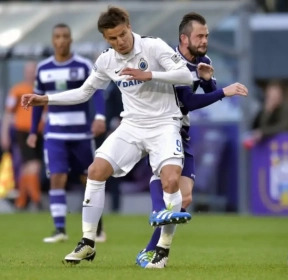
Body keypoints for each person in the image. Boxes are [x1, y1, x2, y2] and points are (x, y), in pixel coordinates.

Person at [20, 6, 237, 268]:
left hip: (165, 123)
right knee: (95, 170)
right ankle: (88, 242)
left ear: (129, 26)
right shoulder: (107, 60)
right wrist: (46, 99)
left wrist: (149, 74)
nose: (119, 42)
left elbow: (182, 74)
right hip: (132, 126)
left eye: (122, 34)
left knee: (171, 182)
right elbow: (85, 91)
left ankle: (162, 251)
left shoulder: (153, 47)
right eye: (112, 38)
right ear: (105, 39)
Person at [135, 12, 248, 268]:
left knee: (184, 199)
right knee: (168, 186)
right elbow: (188, 101)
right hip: (160, 129)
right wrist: (223, 92)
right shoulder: (170, 63)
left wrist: (209, 81)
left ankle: (150, 249)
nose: (205, 40)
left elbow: (205, 90)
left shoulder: (202, 60)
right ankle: (154, 248)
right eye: (200, 35)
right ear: (184, 38)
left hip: (181, 132)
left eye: (206, 35)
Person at [28, 23, 106, 243]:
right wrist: (34, 131)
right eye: (57, 36)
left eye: (65, 36)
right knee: (57, 178)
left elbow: (97, 91)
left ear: (71, 40)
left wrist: (99, 117)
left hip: (81, 134)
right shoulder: (43, 68)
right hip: (55, 134)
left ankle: (97, 228)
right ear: (53, 41)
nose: (61, 40)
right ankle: (60, 229)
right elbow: (37, 100)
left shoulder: (82, 66)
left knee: (89, 179)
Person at [1, 61, 43, 210]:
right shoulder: (18, 90)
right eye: (29, 70)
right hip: (23, 131)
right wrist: (4, 133)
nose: (31, 73)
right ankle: (37, 200)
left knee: (28, 168)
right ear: (25, 72)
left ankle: (22, 201)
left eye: (33, 70)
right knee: (33, 166)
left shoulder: (41, 90)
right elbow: (8, 112)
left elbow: (47, 112)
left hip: (39, 132)